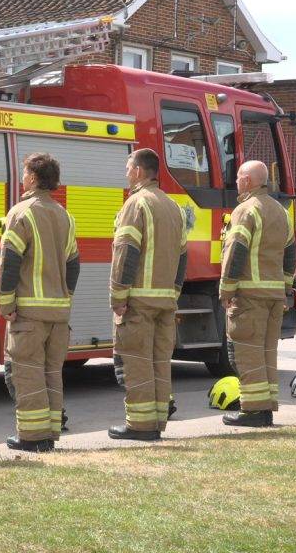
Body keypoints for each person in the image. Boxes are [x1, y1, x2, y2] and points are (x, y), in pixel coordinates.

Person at [0, 152, 79, 452]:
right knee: (50, 372)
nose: (21, 178)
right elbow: (74, 265)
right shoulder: (65, 216)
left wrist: (6, 303)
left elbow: (9, 264)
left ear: (32, 178)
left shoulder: (21, 213)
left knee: (27, 372)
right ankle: (50, 432)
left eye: (24, 173)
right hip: (58, 313)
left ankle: (31, 437)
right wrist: (63, 296)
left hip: (29, 312)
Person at [108, 148, 186, 440]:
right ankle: (156, 423)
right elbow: (183, 257)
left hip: (138, 301)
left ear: (139, 172)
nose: (127, 173)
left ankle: (140, 426)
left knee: (136, 362)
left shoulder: (136, 204)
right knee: (158, 363)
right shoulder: (173, 206)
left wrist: (118, 296)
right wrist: (174, 292)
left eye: (129, 168)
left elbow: (126, 253)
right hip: (164, 300)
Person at [218, 161, 295, 427]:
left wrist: (227, 288)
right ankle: (265, 407)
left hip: (249, 294)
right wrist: (285, 287)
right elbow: (290, 252)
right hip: (274, 295)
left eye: (239, 176)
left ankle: (253, 410)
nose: (236, 181)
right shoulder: (281, 211)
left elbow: (236, 250)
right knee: (266, 352)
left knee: (246, 352)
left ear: (249, 181)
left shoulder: (246, 209)